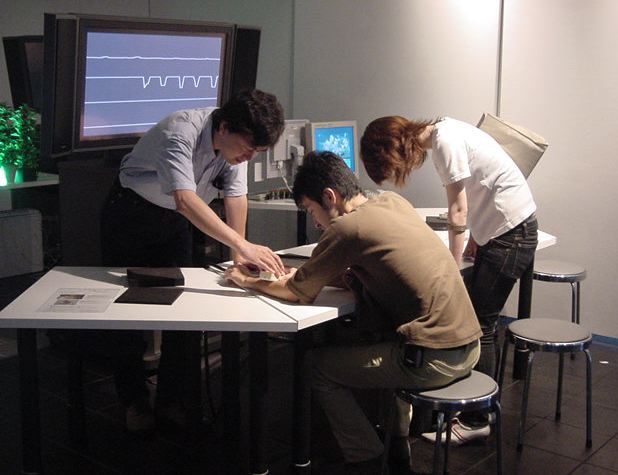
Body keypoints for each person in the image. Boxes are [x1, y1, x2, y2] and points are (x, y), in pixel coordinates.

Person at [224, 151, 481, 475]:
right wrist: (303, 275)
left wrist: (245, 280)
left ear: (329, 197)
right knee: (378, 339)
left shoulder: (347, 227)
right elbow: (364, 270)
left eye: (312, 210)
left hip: (432, 359)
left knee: (317, 367)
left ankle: (367, 459)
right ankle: (396, 449)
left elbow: (297, 292)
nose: (315, 223)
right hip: (468, 346)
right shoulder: (393, 202)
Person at [100, 89, 286, 433]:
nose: (248, 157)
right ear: (224, 127)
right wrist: (243, 245)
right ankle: (134, 401)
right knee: (125, 311)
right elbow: (185, 200)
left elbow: (236, 196)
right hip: (131, 213)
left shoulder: (235, 147)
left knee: (182, 309)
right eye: (248, 148)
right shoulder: (180, 131)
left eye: (256, 152)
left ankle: (171, 399)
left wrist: (237, 259)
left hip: (173, 220)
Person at [360, 115, 538, 443]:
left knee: (480, 325)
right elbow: (483, 188)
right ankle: (474, 409)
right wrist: (475, 239)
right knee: (479, 320)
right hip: (508, 230)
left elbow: (458, 210)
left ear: (392, 149)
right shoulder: (446, 131)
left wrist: (451, 269)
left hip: (511, 234)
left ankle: (476, 420)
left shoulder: (444, 141)